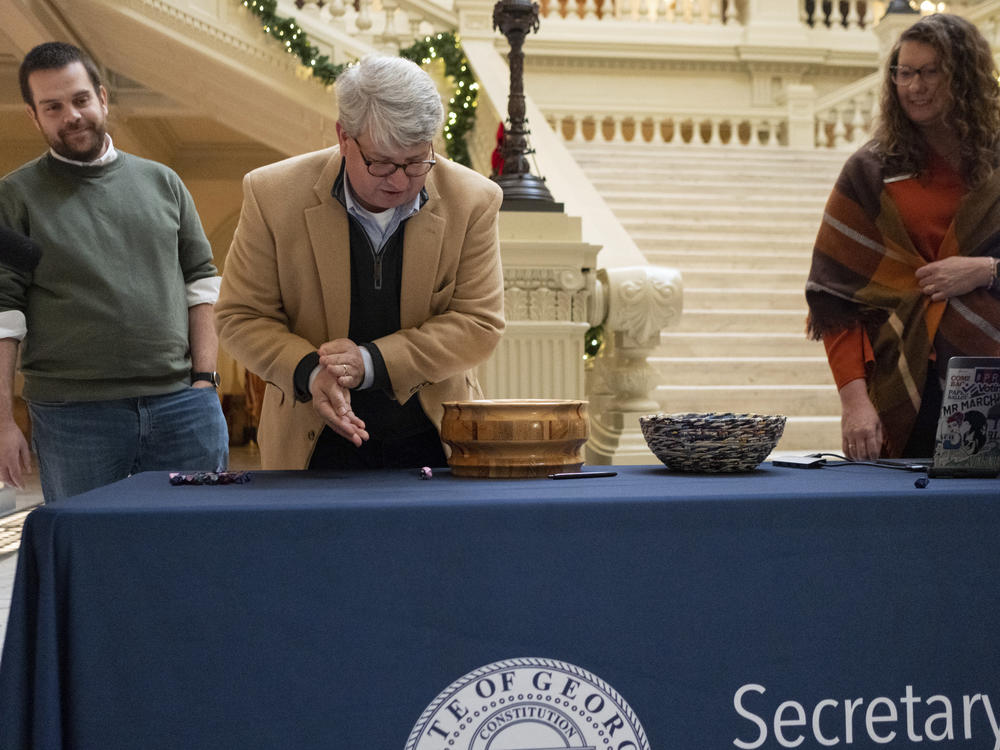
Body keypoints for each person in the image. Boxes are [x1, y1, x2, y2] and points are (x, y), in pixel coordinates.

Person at [216, 55, 505, 470]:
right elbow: (240, 316)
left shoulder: (474, 200)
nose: (400, 181)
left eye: (416, 162)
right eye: (382, 163)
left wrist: (370, 363)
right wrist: (311, 371)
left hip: (438, 441)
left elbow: (479, 324)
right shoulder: (271, 194)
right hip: (310, 445)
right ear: (343, 137)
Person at [0, 42, 229, 501]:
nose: (72, 115)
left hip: (183, 405)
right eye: (53, 107)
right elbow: (4, 315)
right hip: (74, 417)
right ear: (34, 116)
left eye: (81, 99)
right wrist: (4, 421)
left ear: (102, 98)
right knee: (91, 552)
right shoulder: (16, 197)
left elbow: (202, 285)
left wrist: (205, 382)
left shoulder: (163, 182)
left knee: (199, 547)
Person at [806, 13, 1000, 461]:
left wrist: (985, 271)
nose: (915, 86)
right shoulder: (870, 172)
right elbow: (834, 299)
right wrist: (855, 404)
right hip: (904, 384)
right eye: (905, 72)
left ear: (965, 77)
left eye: (931, 71)